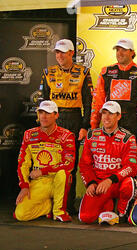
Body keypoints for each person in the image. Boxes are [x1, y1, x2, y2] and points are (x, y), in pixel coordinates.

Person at [39, 39, 94, 214]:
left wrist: (85, 126)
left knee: (70, 166)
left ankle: (67, 206)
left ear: (72, 53)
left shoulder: (83, 72)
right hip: (53, 119)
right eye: (57, 52)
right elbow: (44, 101)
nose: (59, 55)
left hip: (74, 119)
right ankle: (50, 205)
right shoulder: (48, 72)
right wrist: (44, 122)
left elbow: (89, 102)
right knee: (50, 162)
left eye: (63, 52)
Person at [78, 101, 137, 224]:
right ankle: (108, 205)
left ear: (118, 116)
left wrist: (110, 180)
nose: (106, 117)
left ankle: (122, 211)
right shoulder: (92, 136)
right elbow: (85, 164)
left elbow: (131, 167)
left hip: (117, 182)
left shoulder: (127, 138)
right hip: (98, 184)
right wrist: (90, 183)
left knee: (130, 184)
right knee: (85, 217)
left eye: (111, 114)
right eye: (104, 113)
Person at [15, 101, 76, 222]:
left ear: (56, 115)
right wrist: (24, 185)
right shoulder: (29, 134)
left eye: (48, 113)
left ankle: (59, 211)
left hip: (58, 181)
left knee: (64, 173)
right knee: (20, 215)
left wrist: (43, 171)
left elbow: (69, 164)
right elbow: (23, 163)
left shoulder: (66, 135)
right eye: (41, 112)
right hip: (39, 182)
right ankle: (49, 207)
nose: (43, 116)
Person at [90, 38, 137, 145]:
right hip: (110, 119)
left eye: (124, 50)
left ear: (132, 52)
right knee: (109, 153)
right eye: (117, 50)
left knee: (132, 154)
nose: (120, 53)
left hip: (133, 120)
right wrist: (94, 126)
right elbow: (97, 101)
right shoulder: (106, 71)